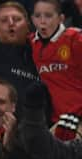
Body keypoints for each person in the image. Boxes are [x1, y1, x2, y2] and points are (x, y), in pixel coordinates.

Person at [30, 0, 82, 140]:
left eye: (48, 16)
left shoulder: (75, 39)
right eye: (38, 16)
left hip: (78, 117)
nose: (42, 21)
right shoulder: (32, 43)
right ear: (32, 19)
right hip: (58, 120)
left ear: (61, 18)